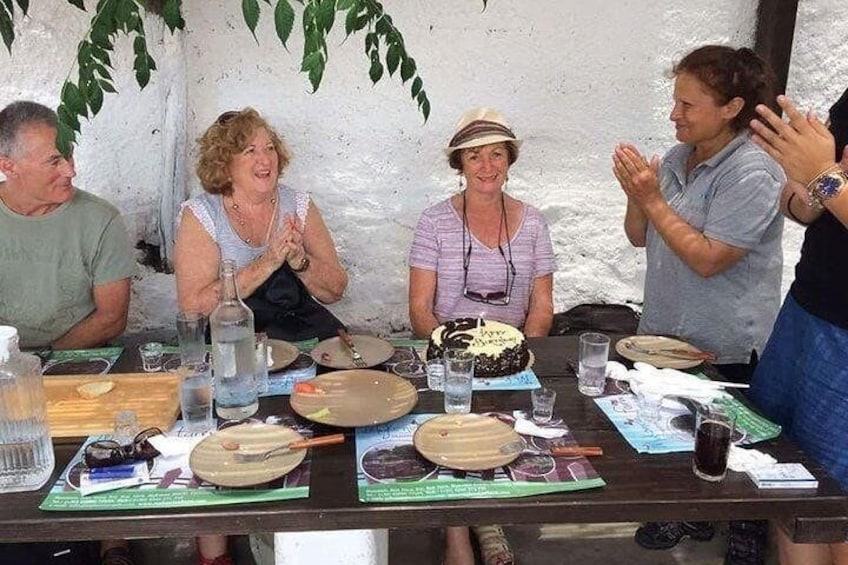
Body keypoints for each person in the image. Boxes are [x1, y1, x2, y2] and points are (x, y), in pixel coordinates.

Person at [612, 45, 785, 564]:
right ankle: (688, 510)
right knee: (671, 427)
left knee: (731, 438)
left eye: (688, 105)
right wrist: (635, 194)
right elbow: (640, 236)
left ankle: (746, 526)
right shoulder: (675, 159)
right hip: (665, 331)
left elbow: (710, 258)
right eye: (675, 101)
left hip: (724, 338)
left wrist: (655, 199)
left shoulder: (753, 172)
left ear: (731, 107)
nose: (674, 114)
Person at [174, 107, 348, 565]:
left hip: (303, 333)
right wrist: (268, 261)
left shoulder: (299, 204)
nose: (263, 157)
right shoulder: (201, 214)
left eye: (269, 146)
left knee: (324, 417)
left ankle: (314, 527)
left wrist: (301, 261)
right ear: (223, 161)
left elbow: (335, 288)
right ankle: (216, 546)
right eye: (249, 149)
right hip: (235, 343)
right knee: (225, 433)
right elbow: (194, 305)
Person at [409, 107, 556, 565]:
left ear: (509, 160)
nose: (488, 166)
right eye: (475, 157)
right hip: (446, 355)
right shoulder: (434, 222)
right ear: (460, 165)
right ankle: (460, 534)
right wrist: (453, 360)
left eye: (497, 154)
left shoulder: (533, 223)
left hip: (510, 354)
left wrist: (517, 355)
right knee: (455, 426)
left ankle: (486, 516)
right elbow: (419, 309)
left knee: (499, 430)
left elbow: (542, 303)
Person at [0, 100, 136, 564]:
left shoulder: (99, 220)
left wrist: (42, 363)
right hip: (3, 366)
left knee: (108, 429)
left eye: (68, 155)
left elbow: (111, 318)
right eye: (54, 160)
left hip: (82, 359)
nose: (70, 170)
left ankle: (111, 542)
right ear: (7, 166)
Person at [747, 89, 848, 565]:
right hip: (807, 308)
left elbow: (829, 182)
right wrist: (808, 190)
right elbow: (807, 203)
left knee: (836, 503)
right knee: (788, 477)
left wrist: (825, 180)